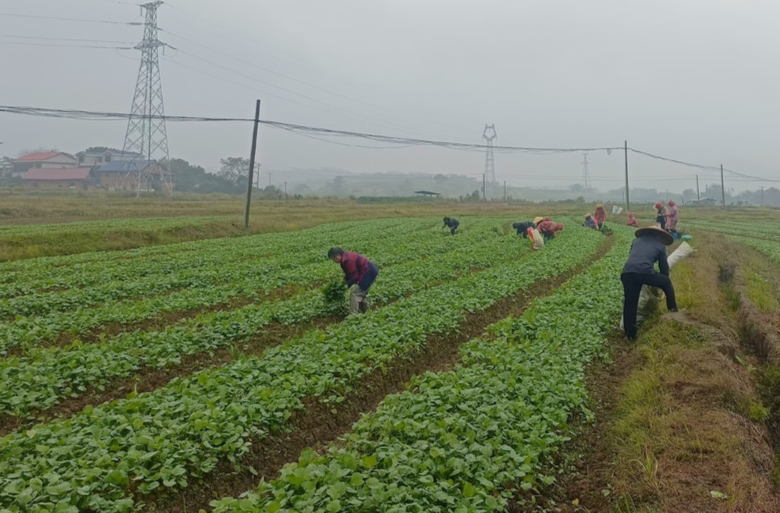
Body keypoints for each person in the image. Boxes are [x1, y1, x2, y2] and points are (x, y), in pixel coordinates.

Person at [621, 226, 678, 340]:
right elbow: (663, 268)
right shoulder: (661, 246)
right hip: (644, 272)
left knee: (630, 304)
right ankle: (673, 308)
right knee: (666, 282)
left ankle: (630, 335)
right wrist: (660, 279)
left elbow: (634, 258)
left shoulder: (636, 241)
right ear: (659, 236)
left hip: (627, 272)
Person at [328, 247, 379, 314]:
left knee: (355, 293)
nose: (333, 260)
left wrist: (345, 286)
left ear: (338, 256)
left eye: (333, 258)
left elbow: (355, 277)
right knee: (361, 292)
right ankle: (366, 312)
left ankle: (353, 315)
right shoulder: (344, 259)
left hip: (368, 273)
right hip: (368, 271)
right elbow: (349, 274)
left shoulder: (348, 260)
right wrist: (343, 283)